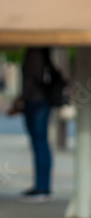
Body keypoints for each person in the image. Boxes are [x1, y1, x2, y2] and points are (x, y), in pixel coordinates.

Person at [10, 47, 55, 201]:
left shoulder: (35, 52)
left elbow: (32, 80)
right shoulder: (40, 51)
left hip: (36, 102)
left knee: (40, 143)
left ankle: (42, 187)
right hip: (37, 101)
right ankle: (41, 186)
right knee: (39, 143)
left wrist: (20, 100)